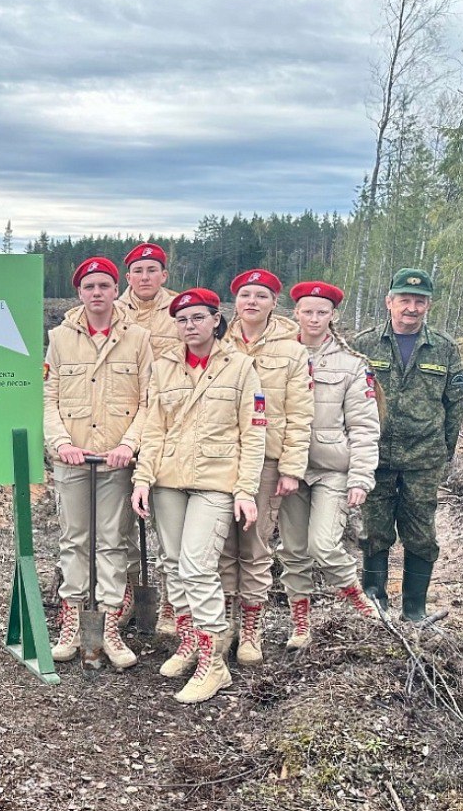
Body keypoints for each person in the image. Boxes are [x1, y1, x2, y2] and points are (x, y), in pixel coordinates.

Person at [131, 288, 264, 704]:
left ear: (215, 319)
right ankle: (190, 644)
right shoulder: (164, 367)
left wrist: (245, 489)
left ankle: (214, 664)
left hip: (216, 480)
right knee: (172, 563)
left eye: (198, 318)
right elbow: (153, 428)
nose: (190, 326)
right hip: (169, 478)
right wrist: (142, 478)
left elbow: (253, 432)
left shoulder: (240, 367)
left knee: (197, 566)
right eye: (183, 320)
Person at [43, 257, 152, 670]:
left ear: (114, 290)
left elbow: (148, 400)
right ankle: (71, 620)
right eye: (89, 287)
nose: (97, 293)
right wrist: (61, 442)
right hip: (73, 459)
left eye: (104, 286)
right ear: (79, 293)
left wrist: (129, 443)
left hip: (115, 461)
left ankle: (107, 625)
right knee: (74, 540)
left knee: (110, 541)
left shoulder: (137, 338)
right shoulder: (59, 337)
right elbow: (49, 397)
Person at [352, 268, 463, 622]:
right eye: (405, 300)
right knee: (374, 530)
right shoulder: (365, 344)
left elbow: (456, 404)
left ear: (428, 305)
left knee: (420, 534)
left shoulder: (444, 348)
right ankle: (375, 601)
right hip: (376, 456)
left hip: (423, 458)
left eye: (419, 301)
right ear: (390, 302)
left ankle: (415, 610)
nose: (411, 308)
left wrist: (444, 454)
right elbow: (348, 399)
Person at [276, 283, 380, 649]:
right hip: (289, 467)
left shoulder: (352, 365)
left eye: (322, 312)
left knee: (321, 544)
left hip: (332, 468)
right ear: (296, 314)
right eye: (307, 311)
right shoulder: (280, 355)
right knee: (292, 550)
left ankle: (355, 596)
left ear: (333, 315)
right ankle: (300, 621)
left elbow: (366, 426)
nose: (314, 318)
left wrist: (361, 478)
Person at [223, 269, 314, 665]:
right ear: (235, 302)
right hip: (220, 459)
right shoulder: (218, 342)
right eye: (245, 295)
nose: (252, 302)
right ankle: (222, 624)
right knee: (221, 546)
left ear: (275, 302)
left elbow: (300, 414)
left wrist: (291, 468)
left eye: (261, 295)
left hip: (266, 461)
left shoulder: (292, 351)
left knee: (256, 545)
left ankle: (251, 630)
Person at [118, 243, 181, 634]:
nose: (145, 276)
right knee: (121, 522)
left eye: (152, 270)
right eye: (138, 270)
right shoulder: (110, 307)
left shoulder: (180, 312)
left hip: (167, 427)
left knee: (168, 522)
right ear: (128, 277)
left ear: (164, 276)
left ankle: (172, 602)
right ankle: (127, 593)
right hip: (121, 427)